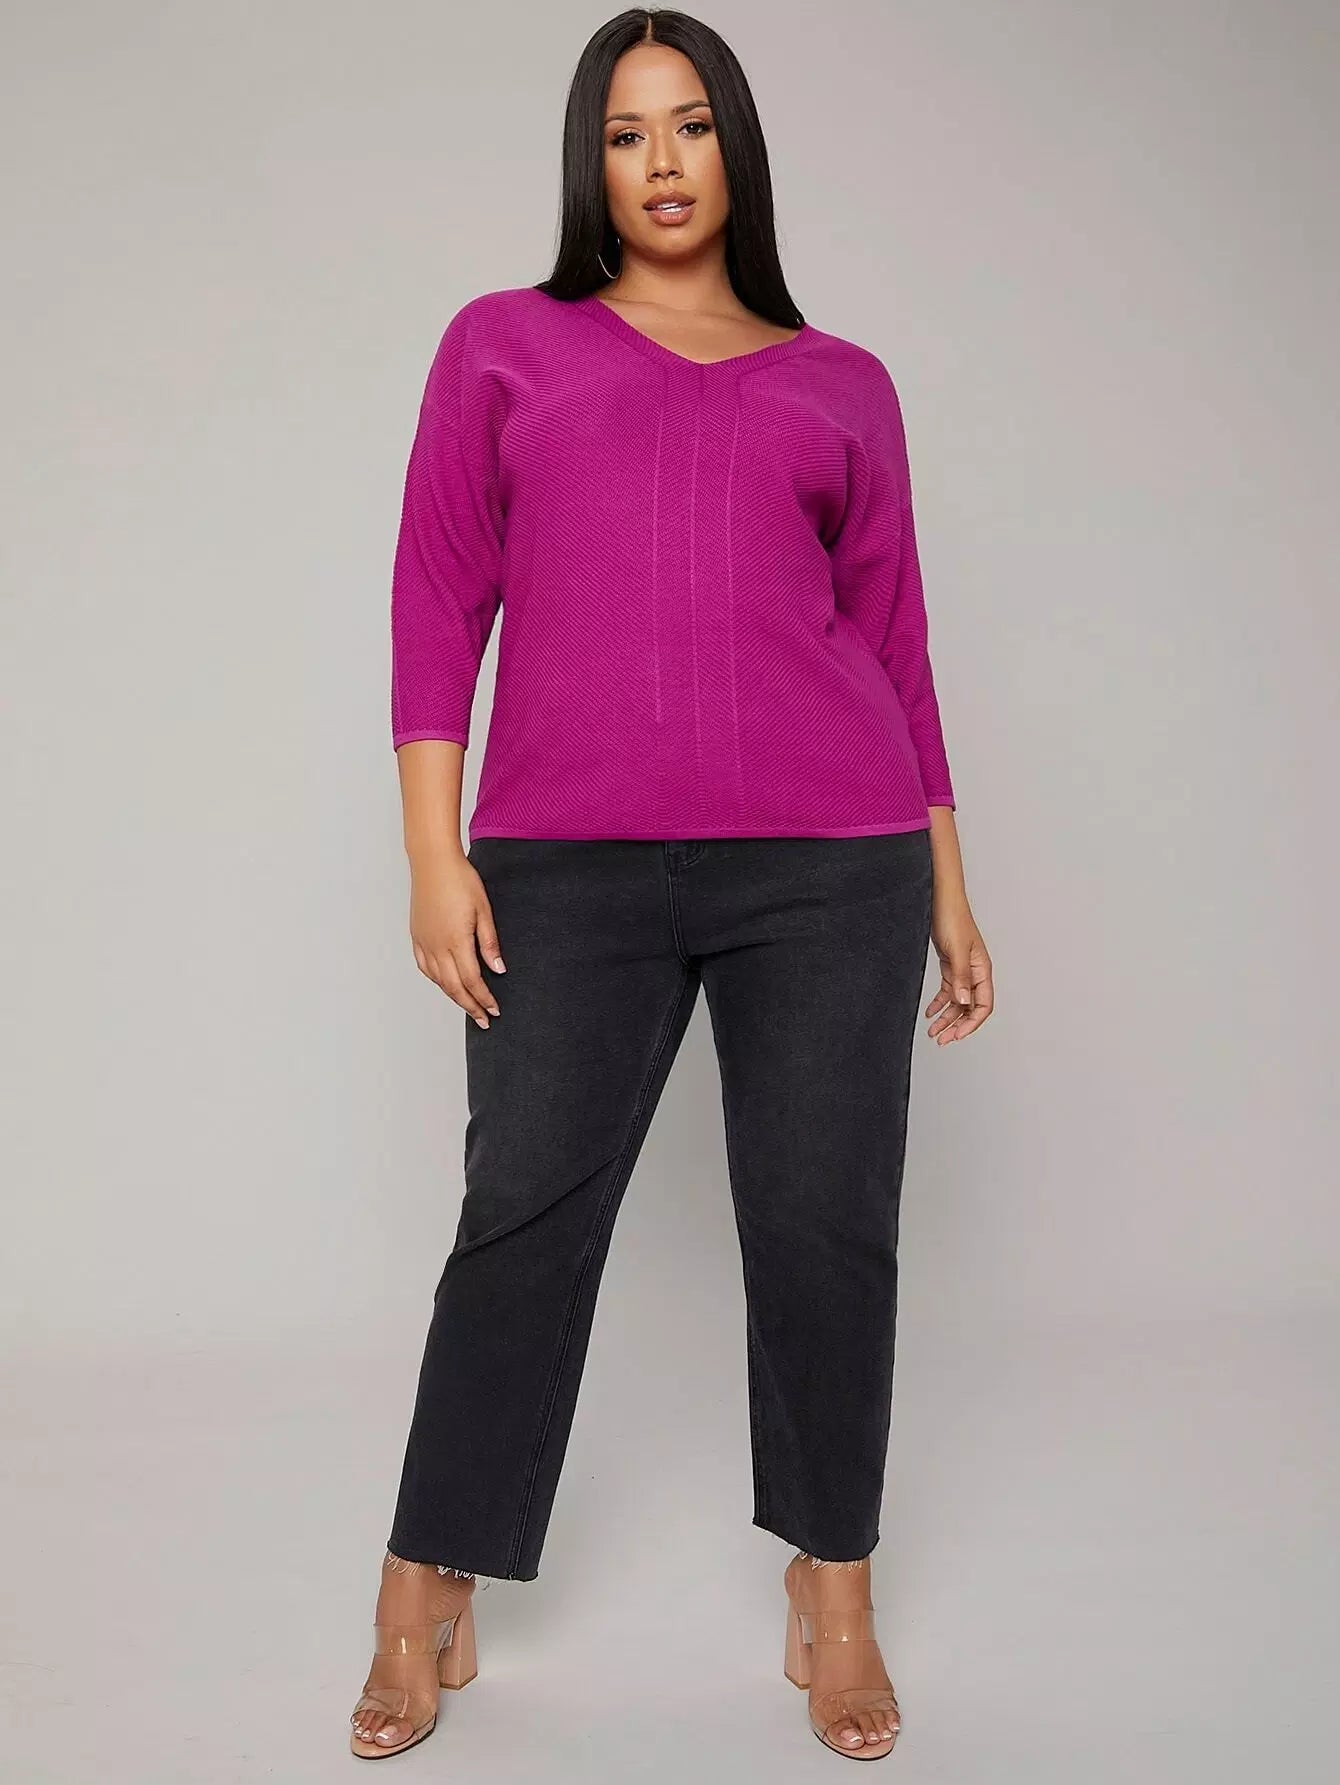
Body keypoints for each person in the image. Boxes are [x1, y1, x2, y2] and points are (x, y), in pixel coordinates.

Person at [350, 8, 994, 1765]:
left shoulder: (841, 381)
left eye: (691, 125)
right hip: (563, 868)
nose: (660, 162)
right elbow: (436, 598)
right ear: (591, 161)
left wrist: (949, 883)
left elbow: (897, 643)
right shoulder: (505, 346)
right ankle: (425, 1577)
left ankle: (834, 1583)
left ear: (736, 148)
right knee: (522, 1215)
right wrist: (432, 853)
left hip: (835, 863)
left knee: (826, 1218)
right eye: (626, 132)